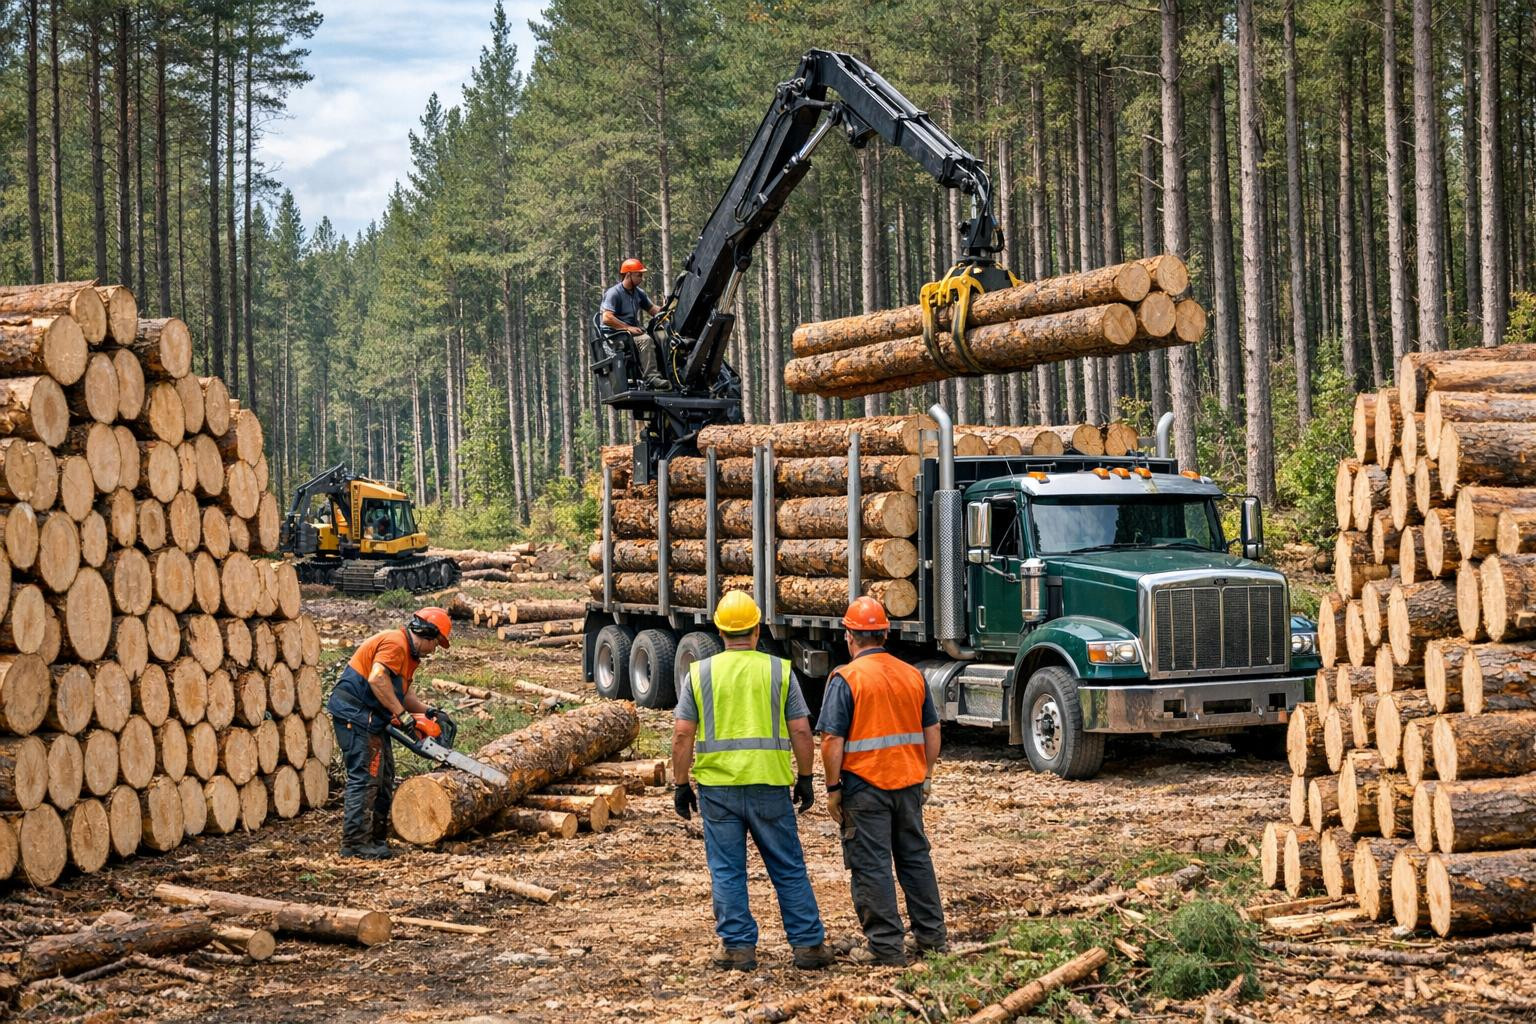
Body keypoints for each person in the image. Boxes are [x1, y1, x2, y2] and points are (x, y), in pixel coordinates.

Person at [672, 591, 835, 972]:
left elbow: (682, 735)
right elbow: (800, 730)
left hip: (718, 790)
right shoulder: (779, 671)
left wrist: (681, 784)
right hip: (770, 787)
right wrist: (807, 777)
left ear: (719, 630)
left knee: (728, 870)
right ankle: (809, 946)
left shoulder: (700, 673)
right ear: (758, 629)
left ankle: (738, 948)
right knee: (788, 867)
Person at [819, 596, 946, 966]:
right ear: (885, 633)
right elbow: (932, 730)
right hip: (908, 784)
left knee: (871, 866)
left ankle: (886, 947)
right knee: (915, 860)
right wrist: (925, 773)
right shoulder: (912, 674)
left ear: (850, 636)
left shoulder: (847, 678)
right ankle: (933, 939)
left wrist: (832, 789)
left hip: (865, 787)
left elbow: (831, 740)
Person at [325, 607, 455, 859]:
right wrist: (402, 716)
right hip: (356, 714)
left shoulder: (409, 654)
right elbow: (377, 679)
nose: (434, 650)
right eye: (435, 644)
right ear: (426, 634)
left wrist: (431, 712)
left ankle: (374, 836)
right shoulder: (396, 643)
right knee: (365, 778)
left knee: (384, 777)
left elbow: (404, 695)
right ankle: (354, 843)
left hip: (372, 718)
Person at [600, 257, 670, 391]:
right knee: (645, 340)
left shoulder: (638, 293)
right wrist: (628, 328)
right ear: (628, 275)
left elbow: (653, 310)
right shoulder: (614, 293)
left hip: (629, 333)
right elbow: (607, 318)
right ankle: (652, 377)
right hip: (615, 335)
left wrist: (666, 308)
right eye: (639, 275)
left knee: (660, 336)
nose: (641, 278)